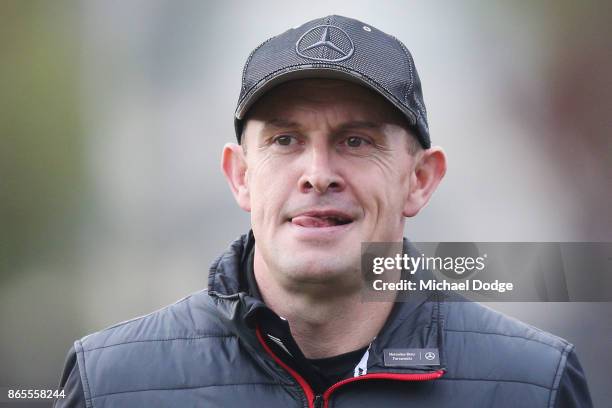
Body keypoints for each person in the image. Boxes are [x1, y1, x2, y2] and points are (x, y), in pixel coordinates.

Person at [55, 15, 592, 407]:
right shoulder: (111, 382)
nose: (318, 172)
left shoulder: (532, 383)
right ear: (241, 176)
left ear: (420, 180)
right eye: (286, 139)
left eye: (356, 141)